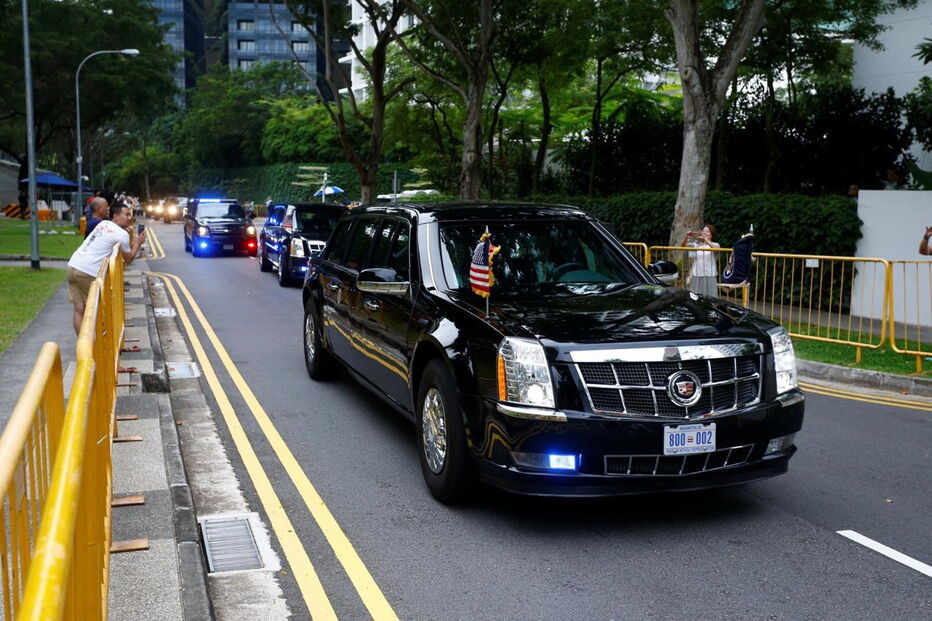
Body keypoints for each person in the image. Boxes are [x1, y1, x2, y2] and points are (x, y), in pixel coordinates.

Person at [67, 204, 145, 334]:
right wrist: (137, 242)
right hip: (88, 272)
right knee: (98, 311)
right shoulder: (121, 234)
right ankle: (95, 348)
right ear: (115, 216)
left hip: (73, 265)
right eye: (126, 214)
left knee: (79, 309)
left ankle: (83, 349)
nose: (129, 218)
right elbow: (129, 258)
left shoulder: (103, 224)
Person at [682, 224, 720, 297]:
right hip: (697, 274)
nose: (705, 233)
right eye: (703, 231)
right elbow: (683, 247)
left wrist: (705, 239)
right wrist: (687, 237)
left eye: (707, 231)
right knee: (695, 296)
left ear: (712, 234)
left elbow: (716, 249)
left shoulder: (716, 244)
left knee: (710, 297)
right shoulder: (697, 245)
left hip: (709, 274)